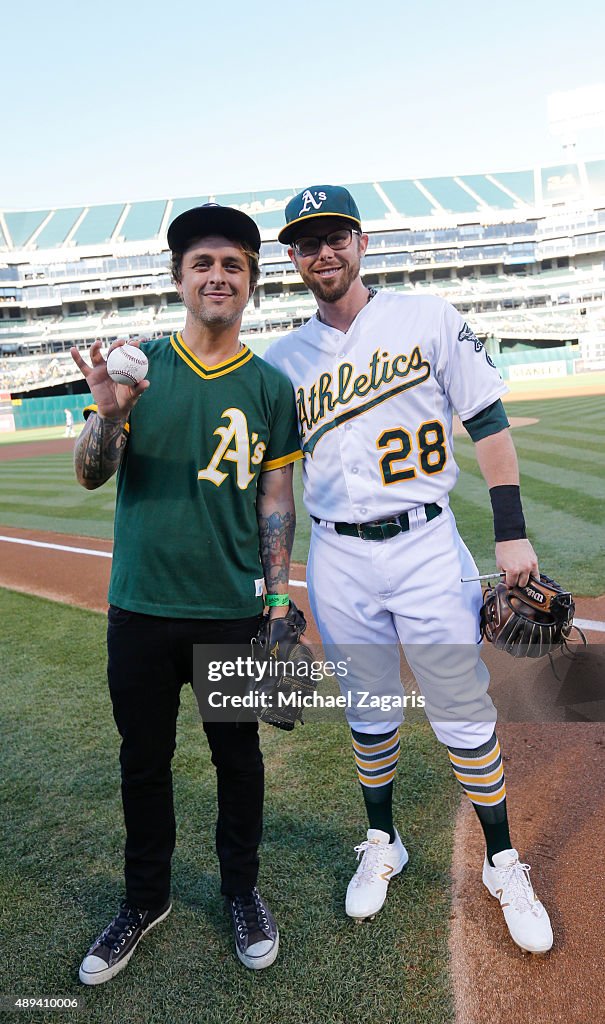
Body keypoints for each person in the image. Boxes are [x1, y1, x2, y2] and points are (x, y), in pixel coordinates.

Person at [263, 185, 553, 954]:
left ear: (360, 242)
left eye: (335, 236)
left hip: (426, 546)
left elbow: (486, 420)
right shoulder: (282, 358)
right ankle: (382, 841)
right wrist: (276, 582)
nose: (322, 252)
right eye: (305, 241)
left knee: (462, 711)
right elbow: (277, 480)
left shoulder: (426, 317)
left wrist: (511, 535)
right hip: (337, 556)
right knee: (369, 709)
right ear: (291, 257)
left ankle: (501, 860)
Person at [71, 203, 302, 983]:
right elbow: (91, 470)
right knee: (145, 760)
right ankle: (144, 899)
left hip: (234, 610)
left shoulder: (272, 386)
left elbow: (275, 500)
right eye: (202, 263)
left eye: (233, 264)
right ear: (178, 279)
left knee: (239, 760)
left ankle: (241, 890)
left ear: (250, 285)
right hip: (139, 607)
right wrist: (108, 418)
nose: (217, 275)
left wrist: (277, 600)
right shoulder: (139, 367)